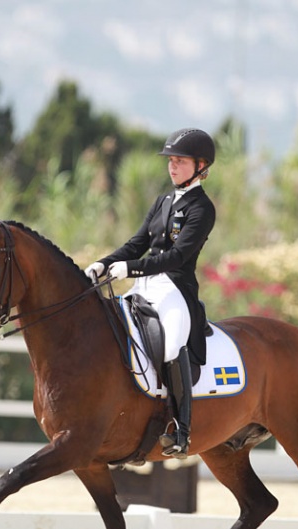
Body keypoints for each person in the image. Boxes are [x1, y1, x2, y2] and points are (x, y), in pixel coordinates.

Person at [85, 128, 216, 459]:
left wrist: (132, 269)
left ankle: (182, 429)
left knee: (172, 343)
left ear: (201, 166)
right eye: (171, 161)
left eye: (180, 161)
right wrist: (104, 263)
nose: (172, 167)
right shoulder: (164, 201)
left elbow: (177, 257)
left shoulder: (203, 208)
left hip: (174, 288)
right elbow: (137, 243)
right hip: (144, 286)